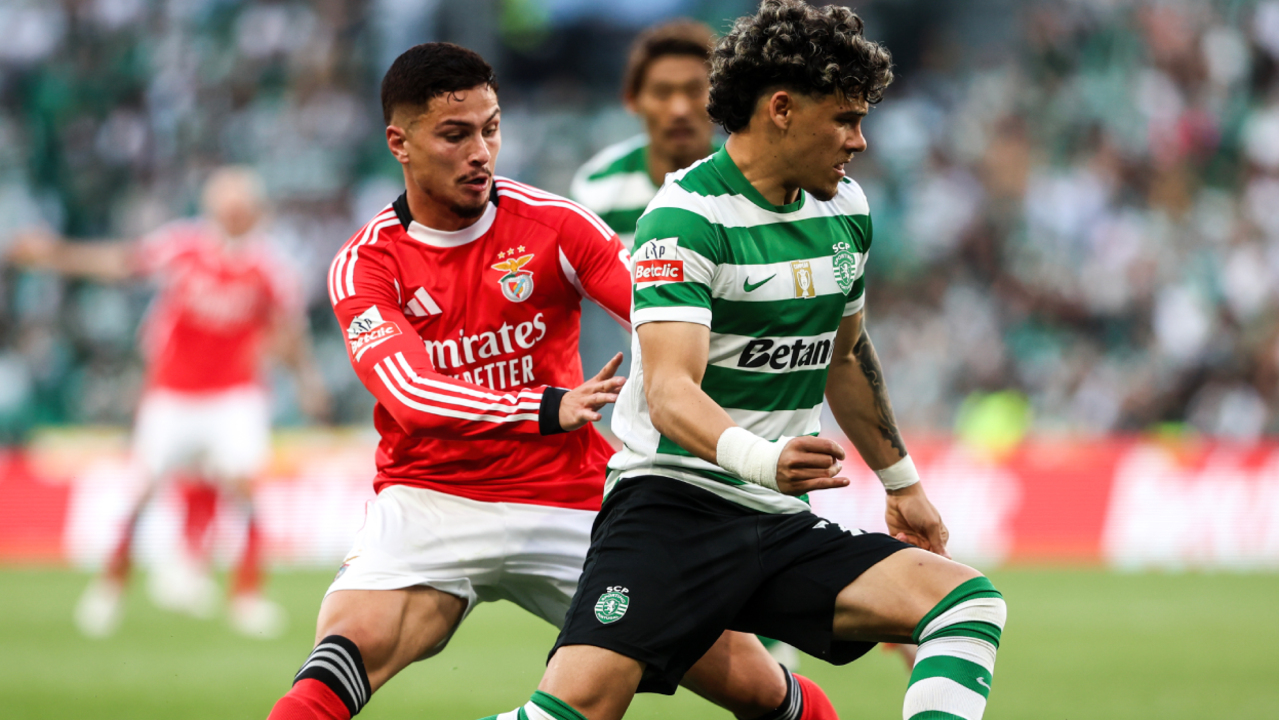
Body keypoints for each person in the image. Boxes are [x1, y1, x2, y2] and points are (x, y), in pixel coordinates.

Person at [266, 42, 838, 720]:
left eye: (491, 127)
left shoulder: (556, 225)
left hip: (575, 499)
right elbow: (411, 395)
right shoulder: (366, 265)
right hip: (431, 499)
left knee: (755, 682)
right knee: (340, 657)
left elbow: (666, 312)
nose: (480, 150)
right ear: (401, 142)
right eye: (455, 134)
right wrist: (544, 406)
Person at [480, 3, 1007, 720]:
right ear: (782, 109)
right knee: (575, 712)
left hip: (777, 517)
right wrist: (764, 459)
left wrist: (901, 483)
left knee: (967, 604)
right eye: (845, 119)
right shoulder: (685, 218)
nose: (858, 141)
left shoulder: (845, 209)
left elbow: (846, 356)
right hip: (669, 508)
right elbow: (668, 392)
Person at [570, 18, 814, 671]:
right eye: (662, 91)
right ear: (635, 101)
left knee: (781, 598)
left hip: (753, 401)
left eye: (694, 89)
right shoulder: (599, 191)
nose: (679, 107)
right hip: (664, 419)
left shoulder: (768, 185)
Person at [10, 166, 329, 638]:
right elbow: (121, 262)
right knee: (142, 491)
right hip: (173, 393)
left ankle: (246, 596)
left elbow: (289, 332)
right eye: (222, 205)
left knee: (245, 489)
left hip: (234, 394)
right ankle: (110, 587)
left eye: (238, 207)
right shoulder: (184, 246)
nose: (229, 214)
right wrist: (56, 254)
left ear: (254, 212)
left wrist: (307, 381)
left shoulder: (271, 268)